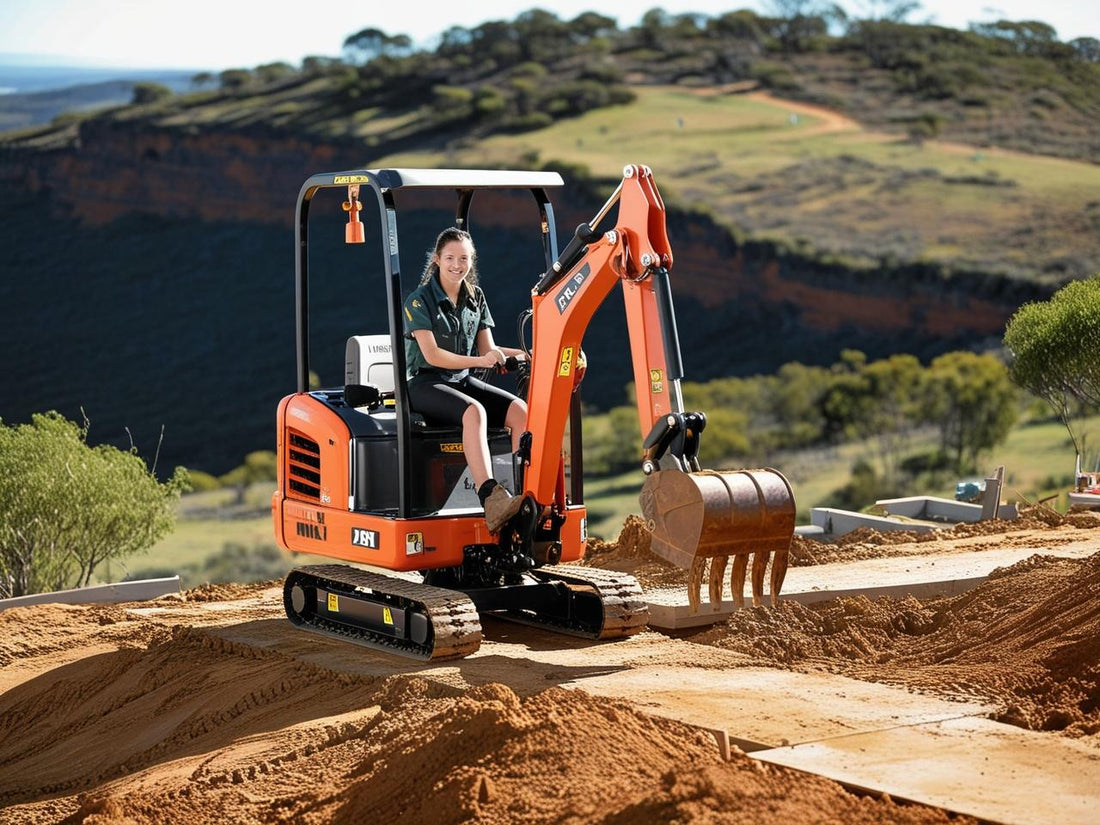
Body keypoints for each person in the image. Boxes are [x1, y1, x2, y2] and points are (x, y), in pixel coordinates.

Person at [403, 227, 528, 531]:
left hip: (460, 380)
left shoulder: (476, 298)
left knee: (520, 411)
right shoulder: (418, 302)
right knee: (474, 412)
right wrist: (480, 361)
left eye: (464, 258)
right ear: (437, 259)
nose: (457, 264)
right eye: (450, 258)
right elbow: (433, 356)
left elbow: (490, 349)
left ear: (472, 260)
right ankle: (491, 498)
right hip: (426, 383)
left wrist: (529, 354)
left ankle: (520, 492)